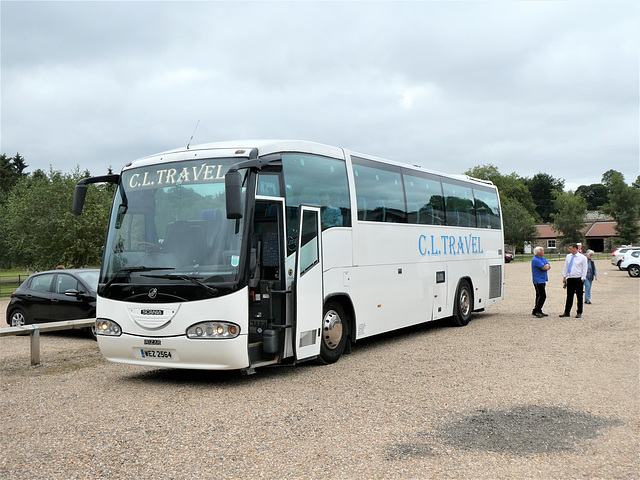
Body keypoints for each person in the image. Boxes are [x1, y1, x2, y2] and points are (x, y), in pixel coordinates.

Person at [560, 243, 588, 318]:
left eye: (570, 248)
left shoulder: (582, 258)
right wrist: (564, 276)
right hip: (570, 278)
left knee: (579, 296)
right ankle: (567, 312)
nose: (569, 250)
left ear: (575, 248)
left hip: (578, 278)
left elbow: (585, 269)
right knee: (569, 296)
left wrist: (583, 278)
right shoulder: (568, 257)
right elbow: (565, 267)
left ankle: (579, 312)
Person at [531, 246, 551, 318]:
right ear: (538, 252)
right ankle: (536, 310)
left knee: (539, 295)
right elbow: (544, 267)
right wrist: (546, 266)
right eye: (542, 251)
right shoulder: (535, 260)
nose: (543, 252)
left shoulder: (542, 258)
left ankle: (538, 310)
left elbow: (549, 265)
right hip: (538, 280)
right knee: (542, 296)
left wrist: (547, 266)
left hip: (543, 279)